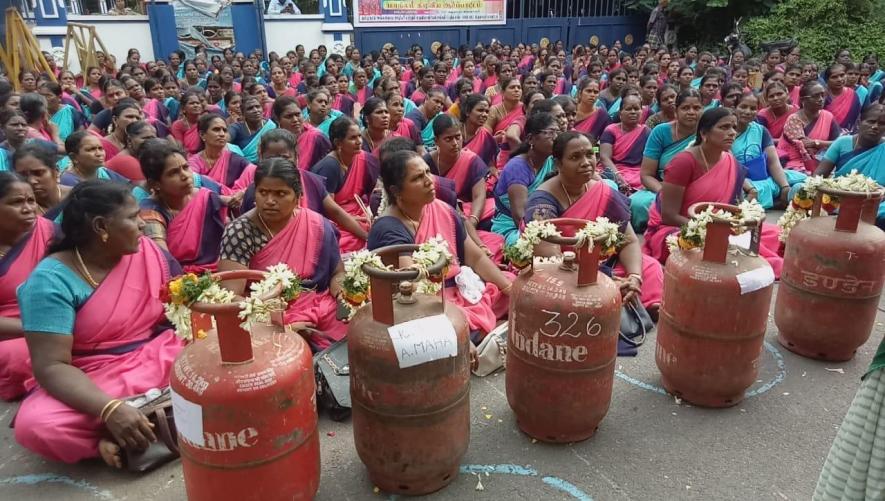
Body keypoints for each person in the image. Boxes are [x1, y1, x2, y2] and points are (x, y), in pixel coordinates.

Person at [15, 181, 184, 467]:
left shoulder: (146, 251)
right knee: (36, 424)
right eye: (132, 218)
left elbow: (175, 309)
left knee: (221, 354)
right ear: (101, 226)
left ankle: (134, 432)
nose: (143, 225)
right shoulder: (48, 282)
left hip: (159, 353)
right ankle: (122, 432)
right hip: (94, 377)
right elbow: (51, 366)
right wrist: (108, 409)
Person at [368, 150, 513, 342]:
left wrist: (509, 289)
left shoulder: (441, 209)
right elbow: (412, 287)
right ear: (396, 191)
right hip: (423, 303)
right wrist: (449, 334)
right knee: (458, 328)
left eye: (428, 172)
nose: (429, 180)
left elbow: (475, 258)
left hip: (457, 288)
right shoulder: (390, 228)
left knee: (514, 286)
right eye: (418, 178)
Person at [524, 132, 663, 311]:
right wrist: (605, 281)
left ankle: (636, 298)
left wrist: (634, 276)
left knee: (649, 267)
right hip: (565, 271)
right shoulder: (542, 202)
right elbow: (549, 259)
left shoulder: (603, 192)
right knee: (558, 288)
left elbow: (628, 240)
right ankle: (626, 304)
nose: (586, 162)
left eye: (590, 154)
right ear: (558, 163)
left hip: (601, 263)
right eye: (575, 157)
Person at [218, 158, 346, 352]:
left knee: (360, 331)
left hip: (319, 307)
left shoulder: (316, 224)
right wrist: (284, 324)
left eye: (280, 194)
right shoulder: (240, 232)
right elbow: (230, 297)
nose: (270, 201)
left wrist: (343, 297)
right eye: (263, 192)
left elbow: (337, 273)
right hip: (264, 312)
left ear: (297, 196)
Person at [642, 108, 783, 276]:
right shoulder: (683, 162)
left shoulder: (730, 160)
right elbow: (669, 216)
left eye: (733, 127)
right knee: (701, 248)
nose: (731, 133)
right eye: (724, 127)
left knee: (775, 234)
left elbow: (734, 207)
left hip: (722, 226)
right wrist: (712, 231)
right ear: (704, 133)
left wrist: (741, 222)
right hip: (681, 227)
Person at [0, 172, 54, 400]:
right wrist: (34, 328)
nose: (28, 208)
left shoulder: (50, 232)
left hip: (56, 324)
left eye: (31, 200)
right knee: (15, 358)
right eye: (16, 202)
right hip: (12, 333)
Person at [138, 139, 227, 272]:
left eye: (185, 167)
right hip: (181, 281)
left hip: (222, 269)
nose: (185, 175)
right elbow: (164, 260)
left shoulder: (204, 197)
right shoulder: (150, 212)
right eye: (173, 173)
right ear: (155, 184)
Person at [632, 88, 703, 232]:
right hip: (663, 186)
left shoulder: (708, 133)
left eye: (696, 108)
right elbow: (646, 175)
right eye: (685, 108)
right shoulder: (660, 131)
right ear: (676, 111)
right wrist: (664, 191)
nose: (691, 112)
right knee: (638, 204)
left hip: (698, 190)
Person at [311, 116, 379, 253]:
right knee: (343, 243)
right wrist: (365, 236)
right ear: (338, 143)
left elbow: (374, 190)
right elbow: (332, 211)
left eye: (360, 136)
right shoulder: (329, 166)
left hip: (354, 213)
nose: (359, 141)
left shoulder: (362, 159)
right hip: (332, 220)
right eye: (352, 138)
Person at [491, 112, 558, 247]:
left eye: (558, 132)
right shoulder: (518, 167)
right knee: (535, 245)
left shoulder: (552, 160)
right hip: (511, 227)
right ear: (531, 139)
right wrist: (544, 237)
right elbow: (519, 216)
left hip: (542, 220)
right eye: (550, 133)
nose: (556, 138)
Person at [814, 104, 885, 227]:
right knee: (800, 189)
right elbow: (818, 176)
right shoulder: (843, 143)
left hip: (875, 202)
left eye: (882, 124)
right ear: (859, 122)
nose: (875, 127)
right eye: (871, 122)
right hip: (839, 196)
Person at [732, 91, 805, 210]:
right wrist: (750, 188)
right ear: (734, 108)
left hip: (762, 176)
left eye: (752, 108)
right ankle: (780, 201)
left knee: (801, 179)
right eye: (743, 107)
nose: (748, 111)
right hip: (740, 179)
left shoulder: (760, 131)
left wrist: (784, 187)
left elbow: (773, 162)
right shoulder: (726, 132)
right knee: (738, 192)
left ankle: (787, 195)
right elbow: (730, 166)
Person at [776, 81, 840, 174]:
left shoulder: (828, 116)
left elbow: (838, 143)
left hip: (821, 160)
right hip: (795, 162)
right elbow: (805, 148)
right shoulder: (794, 119)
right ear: (803, 100)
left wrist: (815, 143)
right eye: (816, 96)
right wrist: (825, 144)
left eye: (823, 95)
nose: (821, 99)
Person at [190, 113, 254, 193]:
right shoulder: (194, 162)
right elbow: (191, 185)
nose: (222, 134)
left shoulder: (235, 159)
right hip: (207, 203)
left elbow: (254, 174)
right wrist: (223, 198)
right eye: (216, 129)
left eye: (225, 130)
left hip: (237, 202)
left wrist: (242, 193)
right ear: (202, 135)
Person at [599, 94, 651, 192]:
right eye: (628, 109)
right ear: (620, 113)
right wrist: (617, 175)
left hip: (636, 173)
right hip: (613, 169)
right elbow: (604, 158)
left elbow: (649, 160)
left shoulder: (647, 132)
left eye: (636, 109)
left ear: (641, 111)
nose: (633, 112)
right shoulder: (610, 130)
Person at [13, 143, 71, 221]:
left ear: (56, 172)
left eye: (38, 173)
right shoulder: (21, 212)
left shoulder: (77, 195)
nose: (31, 181)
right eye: (22, 175)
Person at [271, 96, 331, 171]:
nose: (295, 120)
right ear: (278, 119)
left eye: (298, 114)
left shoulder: (317, 137)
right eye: (289, 116)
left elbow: (327, 167)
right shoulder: (273, 140)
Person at [484, 77, 525, 169]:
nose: (516, 90)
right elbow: (484, 137)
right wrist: (497, 139)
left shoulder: (525, 109)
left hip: (520, 152)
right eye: (512, 87)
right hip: (497, 153)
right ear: (502, 92)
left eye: (519, 87)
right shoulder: (495, 110)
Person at [60, 131, 129, 186]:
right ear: (74, 157)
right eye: (91, 149)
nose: (99, 154)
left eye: (100, 148)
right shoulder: (68, 182)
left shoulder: (105, 173)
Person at [228, 96, 277, 163]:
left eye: (257, 107)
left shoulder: (271, 126)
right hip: (243, 167)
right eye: (250, 108)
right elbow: (224, 140)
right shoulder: (236, 127)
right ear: (243, 113)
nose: (256, 110)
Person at [823, 63, 862, 133]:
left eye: (842, 75)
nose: (840, 79)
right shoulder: (822, 96)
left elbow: (857, 119)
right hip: (824, 134)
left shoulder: (853, 95)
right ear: (827, 80)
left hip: (848, 135)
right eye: (834, 77)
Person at [169, 90, 204, 155]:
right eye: (191, 103)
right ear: (183, 109)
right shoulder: (178, 125)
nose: (196, 105)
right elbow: (180, 148)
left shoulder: (206, 121)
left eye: (198, 103)